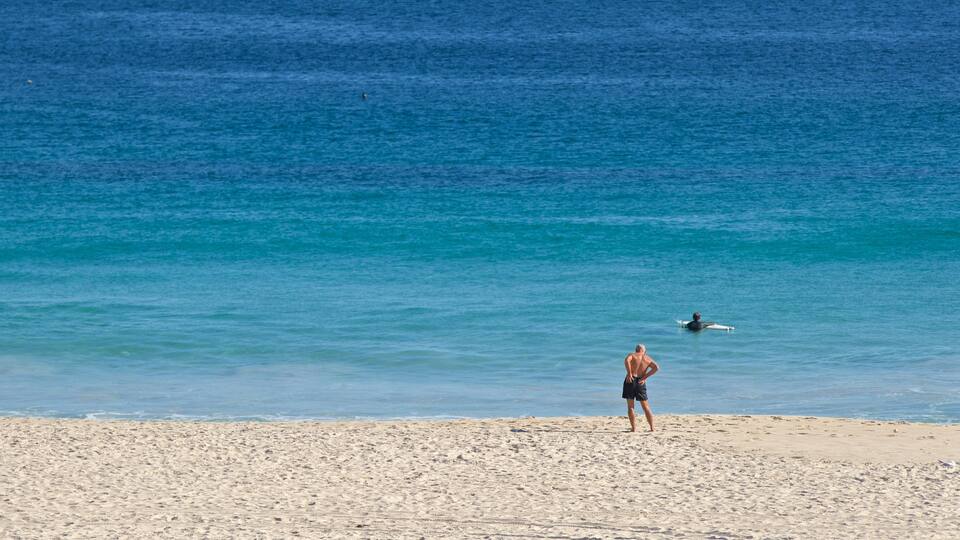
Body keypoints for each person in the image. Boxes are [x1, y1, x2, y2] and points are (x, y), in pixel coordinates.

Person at [622, 344, 659, 432]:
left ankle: (634, 428)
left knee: (631, 406)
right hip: (640, 382)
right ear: (644, 351)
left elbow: (627, 360)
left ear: (636, 350)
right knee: (646, 406)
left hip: (630, 381)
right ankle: (652, 428)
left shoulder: (632, 355)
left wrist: (629, 373)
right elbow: (656, 367)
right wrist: (645, 377)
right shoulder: (647, 358)